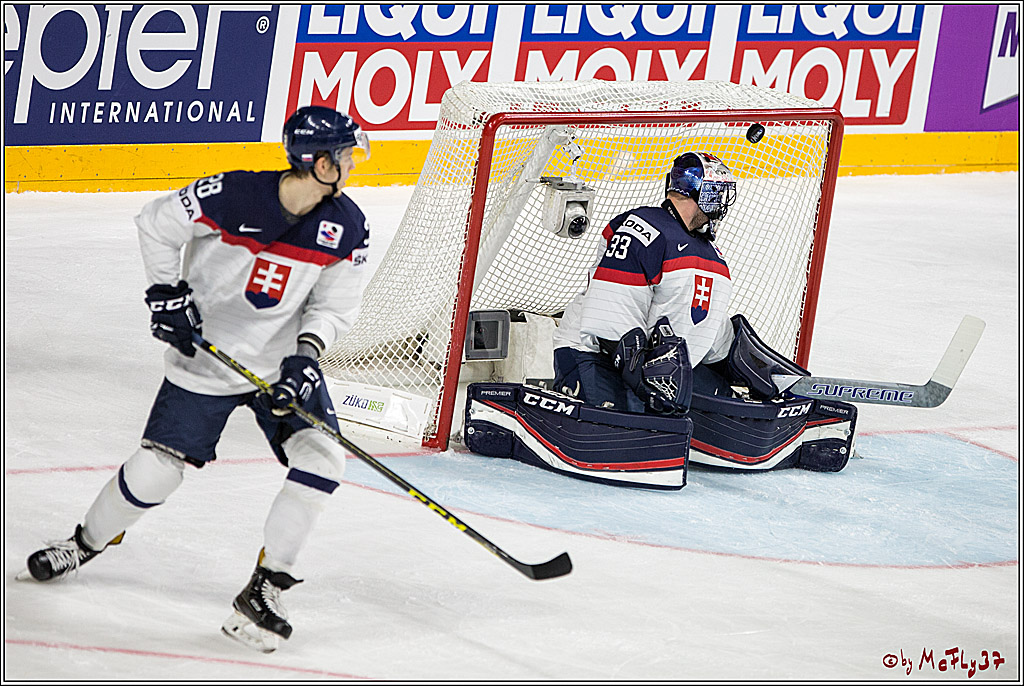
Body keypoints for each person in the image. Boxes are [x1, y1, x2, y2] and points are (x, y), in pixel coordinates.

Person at [21, 105, 371, 654]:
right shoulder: (230, 195)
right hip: (206, 360)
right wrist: (167, 295)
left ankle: (266, 586)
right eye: (345, 154)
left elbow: (333, 304)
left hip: (279, 365)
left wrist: (306, 357)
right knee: (157, 471)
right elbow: (156, 224)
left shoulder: (346, 225)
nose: (353, 163)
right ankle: (84, 542)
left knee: (322, 457)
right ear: (318, 162)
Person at [551, 151, 740, 415]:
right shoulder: (643, 228)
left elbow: (699, 319)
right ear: (700, 194)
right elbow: (611, 316)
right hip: (591, 352)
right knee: (617, 438)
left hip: (652, 370)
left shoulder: (709, 252)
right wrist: (646, 384)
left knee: (723, 416)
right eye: (716, 194)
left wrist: (740, 359)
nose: (721, 205)